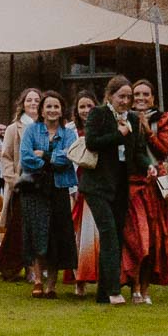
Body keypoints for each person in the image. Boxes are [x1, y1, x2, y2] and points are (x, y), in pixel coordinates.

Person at [79, 76, 135, 304]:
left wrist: (150, 165)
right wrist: (118, 135)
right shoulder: (98, 114)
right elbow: (92, 142)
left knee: (116, 236)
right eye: (121, 96)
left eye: (128, 97)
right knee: (109, 234)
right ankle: (113, 290)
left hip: (120, 186)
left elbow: (135, 150)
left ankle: (103, 292)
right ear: (110, 96)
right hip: (97, 185)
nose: (126, 101)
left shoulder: (132, 118)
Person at [122, 79, 168, 303]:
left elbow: (163, 150)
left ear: (153, 98)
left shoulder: (161, 120)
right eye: (137, 94)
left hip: (155, 187)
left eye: (146, 94)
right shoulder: (123, 118)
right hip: (131, 185)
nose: (141, 98)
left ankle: (144, 288)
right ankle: (133, 285)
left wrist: (148, 132)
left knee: (153, 239)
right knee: (137, 238)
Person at [19, 92, 78, 298]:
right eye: (49, 106)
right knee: (37, 232)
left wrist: (43, 155)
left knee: (56, 234)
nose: (52, 110)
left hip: (59, 188)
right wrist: (51, 163)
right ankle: (37, 279)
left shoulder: (69, 133)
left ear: (62, 110)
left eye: (56, 106)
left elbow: (70, 156)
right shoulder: (31, 131)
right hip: (35, 189)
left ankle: (51, 284)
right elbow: (26, 158)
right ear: (42, 110)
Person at [0, 88, 42, 281]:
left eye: (37, 100)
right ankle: (16, 266)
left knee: (37, 229)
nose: (33, 103)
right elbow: (6, 158)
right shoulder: (14, 128)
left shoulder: (44, 127)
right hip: (21, 185)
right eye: (29, 100)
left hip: (41, 184)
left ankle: (34, 266)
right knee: (20, 228)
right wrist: (14, 181)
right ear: (23, 103)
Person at [64, 89, 100, 296]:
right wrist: (72, 189)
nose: (86, 110)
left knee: (96, 237)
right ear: (76, 110)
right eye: (82, 107)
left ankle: (98, 277)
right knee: (77, 237)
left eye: (90, 106)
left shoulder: (102, 127)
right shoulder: (70, 131)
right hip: (76, 188)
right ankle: (79, 281)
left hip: (97, 188)